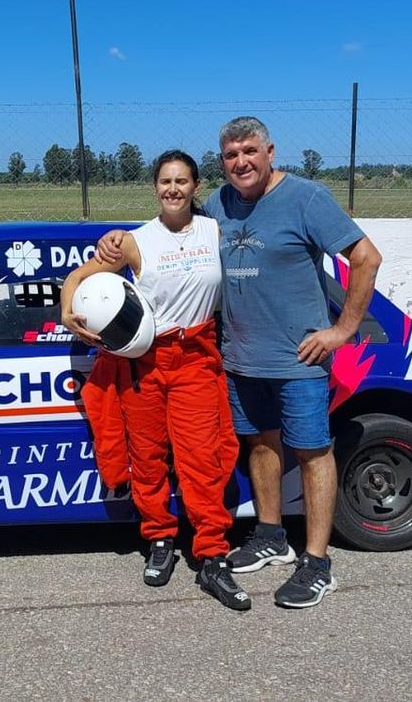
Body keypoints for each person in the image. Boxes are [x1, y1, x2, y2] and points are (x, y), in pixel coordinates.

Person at [97, 117, 382, 609]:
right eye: (231, 155)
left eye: (249, 151)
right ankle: (271, 535)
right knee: (261, 446)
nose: (241, 162)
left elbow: (366, 257)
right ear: (221, 163)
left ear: (270, 151)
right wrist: (115, 238)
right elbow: (172, 228)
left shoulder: (306, 197)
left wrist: (343, 330)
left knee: (313, 453)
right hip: (240, 360)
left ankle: (317, 563)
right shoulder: (219, 208)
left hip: (299, 357)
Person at [63, 150, 250, 611]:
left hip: (197, 359)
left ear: (195, 186)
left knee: (201, 460)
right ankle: (160, 540)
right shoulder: (134, 241)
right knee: (147, 459)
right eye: (165, 181)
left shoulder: (215, 229)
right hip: (146, 361)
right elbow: (79, 277)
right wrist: (69, 313)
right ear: (154, 187)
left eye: (181, 181)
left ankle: (211, 555)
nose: (173, 189)